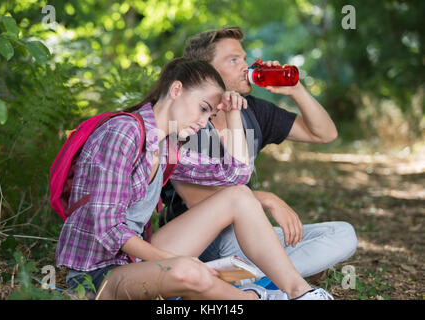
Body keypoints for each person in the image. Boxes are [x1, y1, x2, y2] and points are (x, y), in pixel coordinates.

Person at [55, 57, 334, 300]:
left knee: (238, 196)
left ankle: (301, 293)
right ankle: (254, 297)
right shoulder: (123, 132)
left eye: (211, 115)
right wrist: (175, 261)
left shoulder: (168, 146)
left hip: (134, 260)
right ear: (176, 89)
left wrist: (233, 112)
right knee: (189, 271)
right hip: (98, 277)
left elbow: (236, 175)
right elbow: (108, 229)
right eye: (203, 109)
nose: (204, 122)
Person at [160, 27, 358, 284]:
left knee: (343, 233)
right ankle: (273, 275)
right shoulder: (187, 118)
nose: (246, 66)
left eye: (244, 58)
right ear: (205, 70)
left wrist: (296, 90)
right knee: (237, 236)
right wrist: (266, 199)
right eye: (234, 60)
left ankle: (249, 278)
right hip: (202, 239)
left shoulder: (251, 111)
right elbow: (197, 201)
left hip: (249, 233)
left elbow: (324, 134)